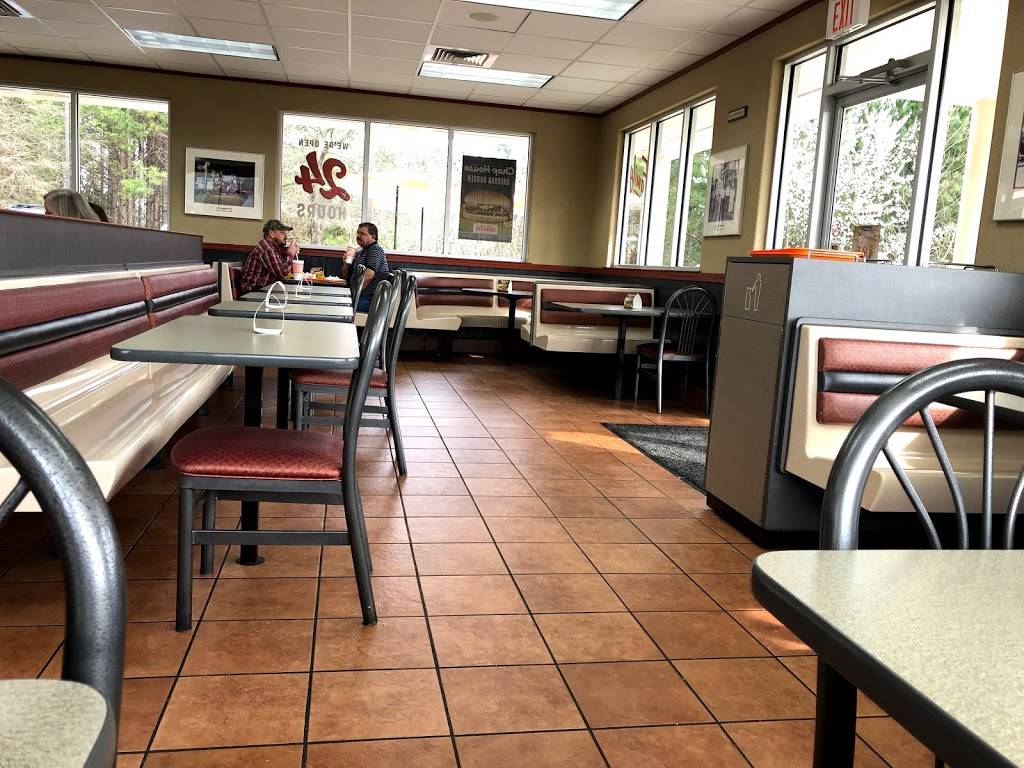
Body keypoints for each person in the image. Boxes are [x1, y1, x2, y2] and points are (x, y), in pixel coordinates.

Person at [240, 219, 299, 296]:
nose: (286, 235)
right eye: (282, 232)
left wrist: (291, 255)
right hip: (254, 294)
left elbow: (284, 272)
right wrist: (290, 254)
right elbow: (282, 274)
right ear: (272, 234)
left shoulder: (272, 248)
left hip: (263, 292)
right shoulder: (267, 249)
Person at [343, 222, 389, 313]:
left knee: (339, 306)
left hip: (369, 298)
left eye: (362, 234)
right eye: (358, 233)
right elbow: (345, 276)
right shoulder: (361, 251)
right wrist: (346, 264)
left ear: (373, 237)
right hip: (360, 295)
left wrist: (353, 295)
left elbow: (368, 276)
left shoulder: (375, 249)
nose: (358, 236)